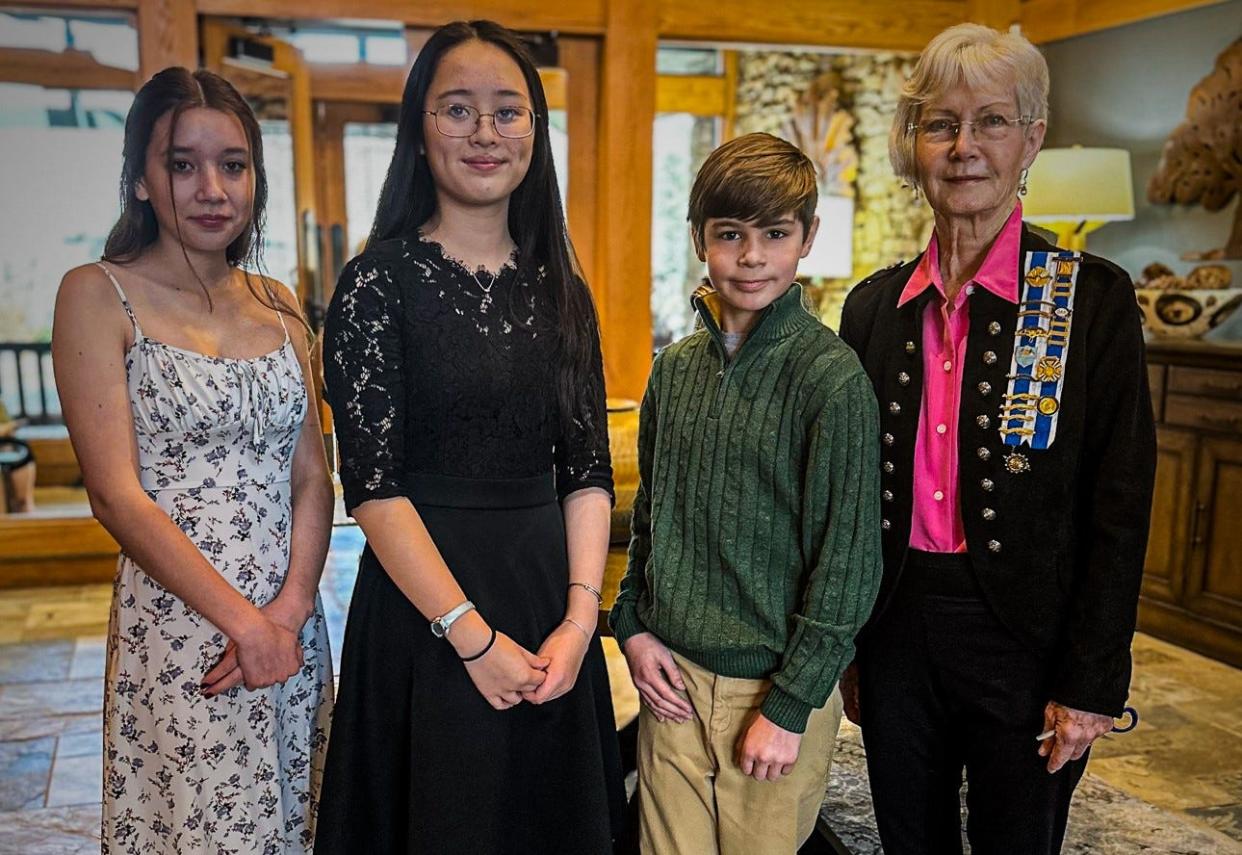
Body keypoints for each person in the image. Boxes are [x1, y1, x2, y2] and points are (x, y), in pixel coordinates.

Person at [838, 23, 1157, 854]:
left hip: (1026, 638)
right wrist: (848, 646)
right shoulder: (870, 310)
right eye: (941, 123)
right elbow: (844, 496)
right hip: (898, 630)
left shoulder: (1087, 300)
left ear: (1032, 140)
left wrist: (1091, 681)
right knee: (910, 839)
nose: (964, 146)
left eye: (992, 122)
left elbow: (1118, 507)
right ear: (914, 142)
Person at [314, 20, 623, 854]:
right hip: (427, 614)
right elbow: (372, 486)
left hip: (547, 604)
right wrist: (470, 635)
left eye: (507, 112)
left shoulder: (562, 287)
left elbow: (587, 470)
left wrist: (580, 616)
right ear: (420, 129)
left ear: (536, 131)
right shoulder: (377, 283)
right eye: (458, 110)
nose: (485, 133)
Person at [52, 67, 334, 852]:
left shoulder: (279, 303)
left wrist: (290, 609)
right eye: (182, 164)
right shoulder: (97, 294)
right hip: (186, 631)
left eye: (233, 165)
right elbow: (115, 496)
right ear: (140, 179)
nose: (212, 187)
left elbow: (313, 473)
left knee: (292, 822)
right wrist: (246, 625)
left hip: (292, 625)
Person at [610, 132, 883, 855]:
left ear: (808, 238)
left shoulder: (832, 381)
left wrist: (791, 706)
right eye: (730, 233)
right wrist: (632, 623)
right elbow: (652, 518)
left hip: (769, 689)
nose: (752, 255)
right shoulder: (673, 371)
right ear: (701, 238)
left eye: (775, 233)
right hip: (670, 678)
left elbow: (848, 565)